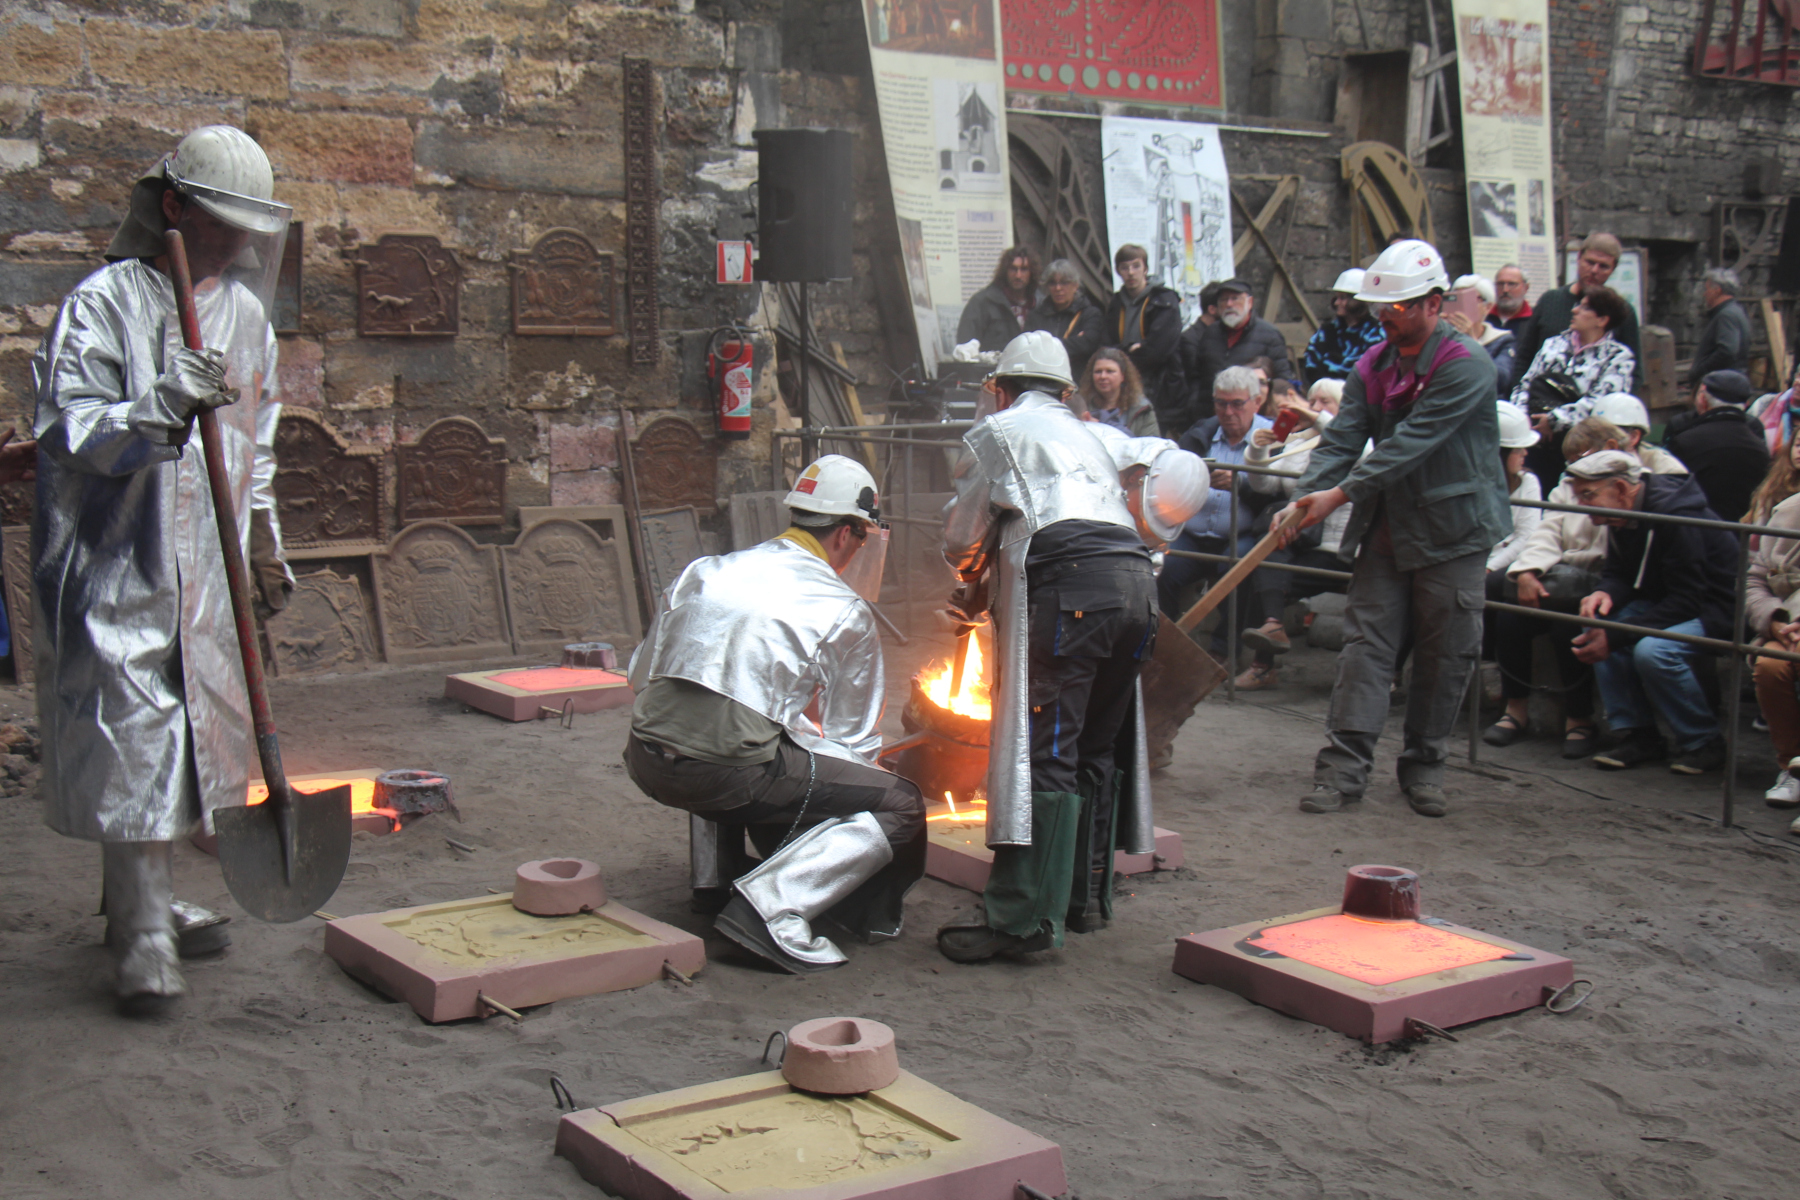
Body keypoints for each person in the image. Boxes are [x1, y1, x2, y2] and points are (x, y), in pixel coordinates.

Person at [31, 125, 297, 1012]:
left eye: (248, 228)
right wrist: (159, 404)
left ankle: (137, 903)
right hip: (118, 558)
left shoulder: (246, 316)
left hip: (206, 571)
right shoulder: (102, 303)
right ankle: (144, 934)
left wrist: (264, 541)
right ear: (173, 208)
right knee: (132, 732)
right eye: (220, 222)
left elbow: (255, 441)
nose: (237, 242)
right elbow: (67, 429)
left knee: (191, 737)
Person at [625, 454, 925, 975]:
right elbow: (853, 742)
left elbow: (640, 675)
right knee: (900, 803)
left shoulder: (705, 570)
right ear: (848, 534)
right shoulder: (843, 607)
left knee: (726, 724)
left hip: (645, 758)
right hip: (725, 777)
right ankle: (769, 910)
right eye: (862, 541)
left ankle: (713, 880)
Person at [937, 331, 1159, 961]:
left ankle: (1023, 921)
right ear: (1064, 392)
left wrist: (969, 576)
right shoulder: (1090, 436)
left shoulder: (998, 431)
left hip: (1073, 596)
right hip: (1138, 590)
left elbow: (962, 538)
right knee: (1096, 747)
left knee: (1045, 753)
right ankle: (1083, 899)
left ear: (1001, 389)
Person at [1275, 238, 1511, 819]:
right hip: (1388, 529)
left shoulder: (1466, 365)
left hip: (1454, 533)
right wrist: (1304, 497)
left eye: (1400, 307)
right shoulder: (1372, 366)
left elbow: (1410, 444)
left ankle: (1425, 767)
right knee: (1366, 651)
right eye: (1383, 307)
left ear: (1434, 303)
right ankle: (1341, 771)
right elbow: (1342, 440)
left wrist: (1336, 496)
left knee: (1444, 655)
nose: (1387, 317)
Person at [1487, 418, 1679, 758]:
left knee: (1569, 623)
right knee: (1512, 613)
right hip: (1561, 572)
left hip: (1605, 579)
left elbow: (1617, 550)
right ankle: (1515, 706)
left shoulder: (1634, 482)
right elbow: (1548, 530)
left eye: (1580, 458)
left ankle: (1579, 717)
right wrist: (1529, 571)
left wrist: (1574, 565)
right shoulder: (1568, 485)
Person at [1567, 452, 1738, 773]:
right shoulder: (1621, 512)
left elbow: (1689, 599)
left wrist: (1617, 635)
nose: (1581, 505)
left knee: (1654, 651)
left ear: (1621, 488)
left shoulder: (1676, 517)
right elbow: (1619, 572)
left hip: (1713, 607)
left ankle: (1704, 741)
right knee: (1597, 628)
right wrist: (1605, 592)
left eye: (1588, 495)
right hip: (1665, 601)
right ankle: (1639, 734)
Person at [1235, 379, 1359, 691]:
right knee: (1261, 562)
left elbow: (1355, 447)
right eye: (1312, 401)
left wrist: (1315, 418)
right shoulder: (1300, 442)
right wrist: (1257, 449)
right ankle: (1268, 640)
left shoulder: (1361, 443)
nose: (1314, 408)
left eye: (1325, 402)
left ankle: (1262, 661)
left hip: (1342, 550)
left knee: (1265, 570)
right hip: (1301, 545)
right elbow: (1266, 485)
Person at [1158, 366, 1274, 624]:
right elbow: (1171, 478)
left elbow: (1277, 498)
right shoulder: (1201, 433)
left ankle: (1226, 643)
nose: (1228, 412)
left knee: (1237, 567)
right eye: (1221, 403)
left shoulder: (1274, 440)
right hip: (1191, 533)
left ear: (1256, 402)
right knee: (1160, 563)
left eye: (1237, 404)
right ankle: (1163, 636)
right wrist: (1197, 479)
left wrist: (1241, 486)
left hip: (1243, 534)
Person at [1509, 285, 1637, 493]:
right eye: (1578, 305)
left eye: (1584, 308)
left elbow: (1601, 402)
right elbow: (1526, 384)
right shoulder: (1553, 344)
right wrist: (1525, 420)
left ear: (1602, 320)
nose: (1574, 310)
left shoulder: (1618, 357)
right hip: (1535, 441)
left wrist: (1553, 420)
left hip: (1582, 449)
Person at [1743, 435, 1800, 814]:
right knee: (1770, 663)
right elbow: (1755, 579)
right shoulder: (1786, 511)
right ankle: (1791, 766)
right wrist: (1776, 622)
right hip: (1787, 625)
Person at [1514, 231, 1642, 388]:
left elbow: (1633, 373)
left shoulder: (1621, 312)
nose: (1594, 270)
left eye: (1603, 266)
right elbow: (1524, 358)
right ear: (1579, 258)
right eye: (1590, 262)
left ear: (1613, 269)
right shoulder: (1550, 301)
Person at [1179, 278, 1294, 423]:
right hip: (1210, 418)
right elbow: (1197, 375)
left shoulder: (1270, 335)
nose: (1229, 304)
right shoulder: (1210, 333)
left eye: (1235, 298)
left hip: (1251, 419)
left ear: (1250, 302)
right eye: (1224, 299)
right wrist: (1194, 406)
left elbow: (1282, 380)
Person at [1664, 369, 1772, 522]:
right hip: (1744, 529)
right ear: (1746, 404)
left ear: (1703, 400)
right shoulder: (1758, 446)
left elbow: (1667, 489)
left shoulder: (1685, 442)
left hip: (1697, 527)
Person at [1100, 243, 1184, 428]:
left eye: (1136, 266)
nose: (1131, 273)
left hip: (1158, 385)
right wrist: (1130, 349)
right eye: (1125, 268)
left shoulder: (1164, 300)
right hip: (1122, 385)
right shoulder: (1116, 302)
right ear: (1118, 271)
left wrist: (1124, 354)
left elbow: (1158, 351)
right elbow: (1106, 346)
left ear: (1145, 268)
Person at [1301, 269, 1384, 387]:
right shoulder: (1327, 330)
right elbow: (1311, 360)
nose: (1336, 303)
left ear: (1358, 300)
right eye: (1336, 297)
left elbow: (1368, 369)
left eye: (1342, 298)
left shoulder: (1376, 333)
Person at [1026, 258, 1103, 379]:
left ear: (1075, 286)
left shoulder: (1090, 314)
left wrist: (1045, 345)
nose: (1058, 288)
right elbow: (1028, 347)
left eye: (1064, 283)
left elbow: (1087, 345)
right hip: (1043, 378)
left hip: (1078, 380)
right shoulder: (1036, 316)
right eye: (1053, 283)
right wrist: (1073, 342)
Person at [957, 245, 1040, 352]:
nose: (1018, 275)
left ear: (1031, 272)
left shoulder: (1040, 304)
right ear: (1005, 271)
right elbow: (965, 347)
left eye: (1023, 269)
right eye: (1013, 269)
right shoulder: (982, 302)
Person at [1447, 274, 1517, 397]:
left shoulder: (1502, 340)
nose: (1462, 306)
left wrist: (1472, 344)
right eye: (1456, 299)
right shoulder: (1442, 337)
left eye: (1469, 300)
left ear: (1487, 307)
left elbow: (1501, 380)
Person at [1687, 267, 1751, 388]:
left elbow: (1727, 351)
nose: (1705, 294)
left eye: (1707, 289)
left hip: (1723, 385)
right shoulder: (1734, 311)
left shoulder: (1727, 315)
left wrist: (1700, 371)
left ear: (1717, 290)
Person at [1077, 347, 1157, 437]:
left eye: (1110, 371)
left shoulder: (1142, 409)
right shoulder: (1081, 407)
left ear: (1123, 376)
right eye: (1098, 371)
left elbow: (1151, 443)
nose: (1103, 376)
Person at [1491, 264, 1533, 337]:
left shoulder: (1534, 320)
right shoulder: (1483, 318)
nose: (1505, 290)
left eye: (1511, 284)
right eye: (1500, 284)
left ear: (1526, 288)